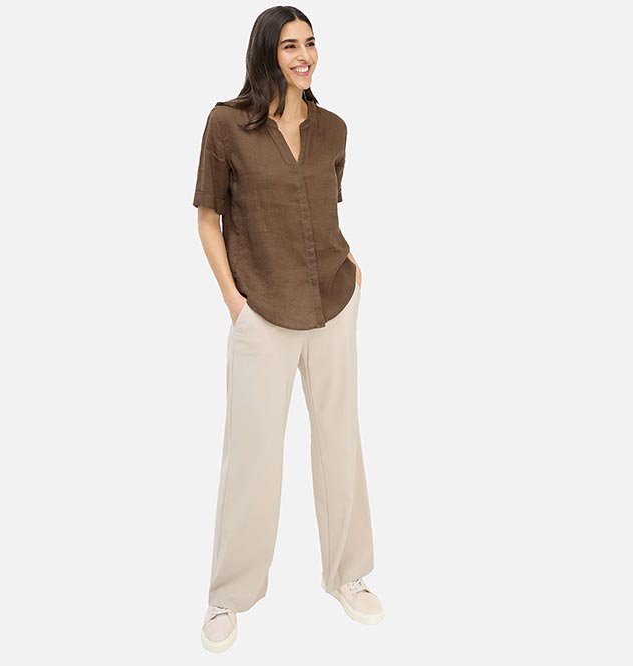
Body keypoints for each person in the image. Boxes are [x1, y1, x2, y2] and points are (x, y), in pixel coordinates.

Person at [192, 7, 383, 653]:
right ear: (265, 54)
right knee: (251, 453)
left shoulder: (334, 128)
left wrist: (353, 266)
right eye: (289, 45)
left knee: (339, 440)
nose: (304, 55)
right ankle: (229, 596)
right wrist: (233, 301)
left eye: (310, 43)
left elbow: (324, 210)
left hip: (332, 300)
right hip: (262, 308)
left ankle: (348, 574)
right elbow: (209, 216)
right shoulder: (227, 124)